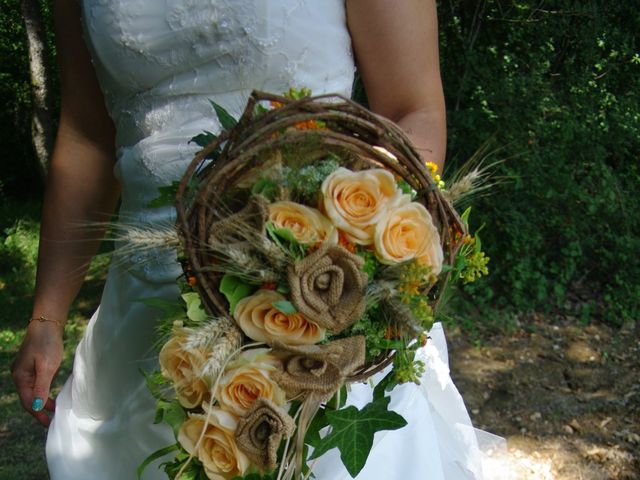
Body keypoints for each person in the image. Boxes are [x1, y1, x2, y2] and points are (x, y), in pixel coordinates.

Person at [12, 0, 491, 478]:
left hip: (318, 300)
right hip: (144, 318)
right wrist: (47, 317)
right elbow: (87, 134)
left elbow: (413, 109)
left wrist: (345, 256)